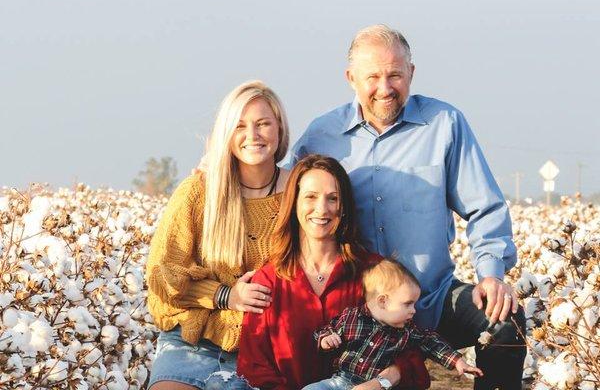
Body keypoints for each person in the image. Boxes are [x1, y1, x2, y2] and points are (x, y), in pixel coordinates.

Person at [290, 24, 526, 390]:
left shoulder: (444, 124)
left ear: (411, 73)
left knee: (504, 321)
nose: (385, 89)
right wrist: (220, 170)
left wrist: (491, 275)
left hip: (430, 300)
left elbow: (485, 207)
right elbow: (282, 193)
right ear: (351, 78)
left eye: (395, 75)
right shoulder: (322, 135)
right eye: (373, 77)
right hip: (356, 314)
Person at [224, 155, 430, 390]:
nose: (322, 209)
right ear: (294, 203)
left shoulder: (375, 273)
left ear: (344, 208)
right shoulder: (268, 280)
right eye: (310, 197)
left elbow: (412, 355)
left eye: (333, 198)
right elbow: (254, 367)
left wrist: (383, 381)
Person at [145, 80, 291, 390]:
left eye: (263, 123)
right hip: (193, 340)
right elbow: (162, 274)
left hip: (265, 348)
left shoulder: (299, 193)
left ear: (279, 128)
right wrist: (226, 296)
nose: (252, 135)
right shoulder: (200, 191)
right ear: (226, 133)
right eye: (239, 126)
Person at [303, 259, 483, 390]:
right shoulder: (351, 317)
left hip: (377, 386)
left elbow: (432, 342)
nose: (414, 310)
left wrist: (458, 361)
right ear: (383, 301)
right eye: (407, 304)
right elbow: (325, 330)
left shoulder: (407, 331)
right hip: (339, 381)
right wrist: (327, 338)